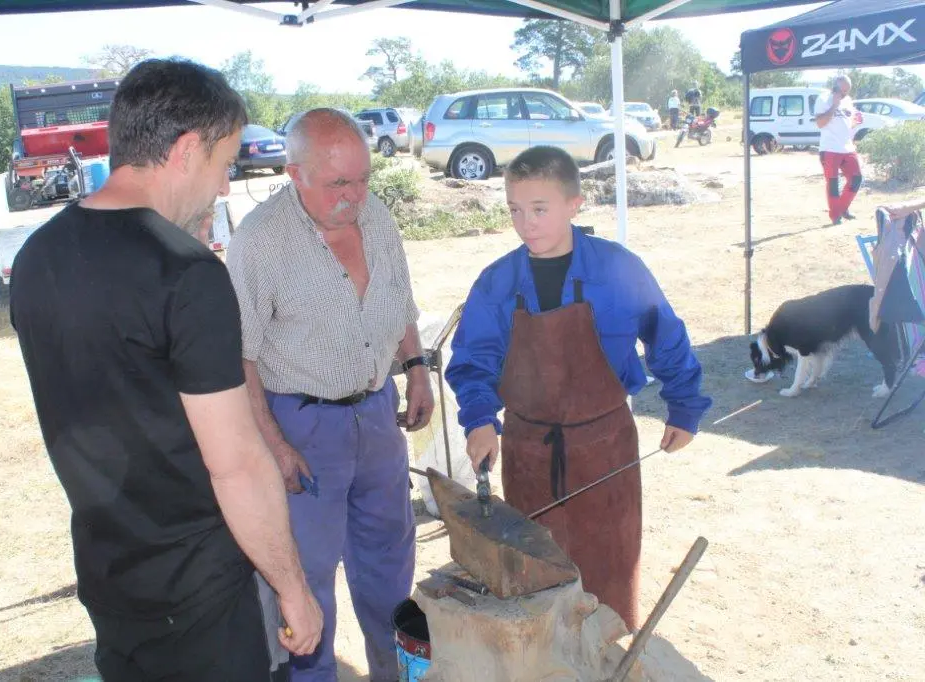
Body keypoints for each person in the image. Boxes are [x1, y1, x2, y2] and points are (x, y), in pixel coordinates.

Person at [8, 58, 322, 682]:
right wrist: (294, 588)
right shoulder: (186, 273)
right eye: (224, 164)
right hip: (196, 588)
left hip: (109, 571)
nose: (226, 187)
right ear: (184, 151)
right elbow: (234, 461)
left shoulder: (37, 255)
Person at [444, 145, 711, 632]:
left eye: (539, 209)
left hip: (605, 449)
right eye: (515, 210)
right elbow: (472, 360)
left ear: (574, 204)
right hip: (528, 452)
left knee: (608, 581)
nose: (526, 224)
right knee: (537, 585)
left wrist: (684, 408)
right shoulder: (497, 282)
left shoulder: (618, 269)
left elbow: (665, 334)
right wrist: (481, 419)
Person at [226, 108, 434, 681]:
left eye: (362, 178)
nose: (354, 195)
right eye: (338, 183)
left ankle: (393, 675)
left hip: (376, 413)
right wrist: (273, 443)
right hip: (302, 425)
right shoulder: (260, 241)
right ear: (294, 174)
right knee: (305, 582)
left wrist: (415, 366)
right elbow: (239, 356)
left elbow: (400, 297)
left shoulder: (378, 216)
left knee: (390, 566)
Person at [814, 75, 864, 225]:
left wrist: (855, 122)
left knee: (856, 179)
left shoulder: (848, 101)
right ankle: (835, 216)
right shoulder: (823, 99)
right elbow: (820, 123)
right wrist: (834, 105)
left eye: (847, 92)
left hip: (847, 147)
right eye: (842, 91)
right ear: (834, 86)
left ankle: (842, 208)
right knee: (833, 183)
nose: (844, 95)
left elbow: (847, 125)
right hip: (829, 148)